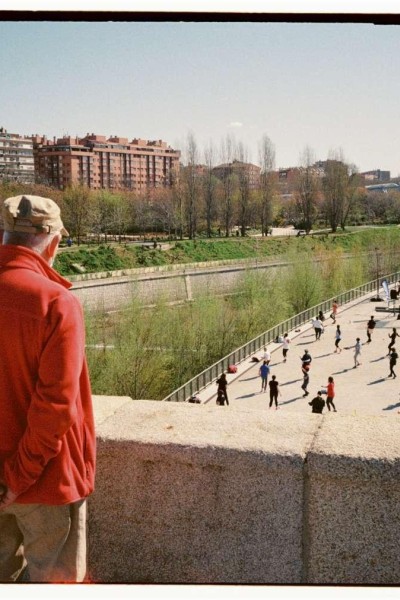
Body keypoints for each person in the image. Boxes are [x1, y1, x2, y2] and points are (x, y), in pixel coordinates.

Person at [0, 195, 96, 583]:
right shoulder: (57, 302)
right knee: (54, 583)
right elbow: (56, 407)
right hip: (43, 481)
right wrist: (16, 479)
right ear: (53, 242)